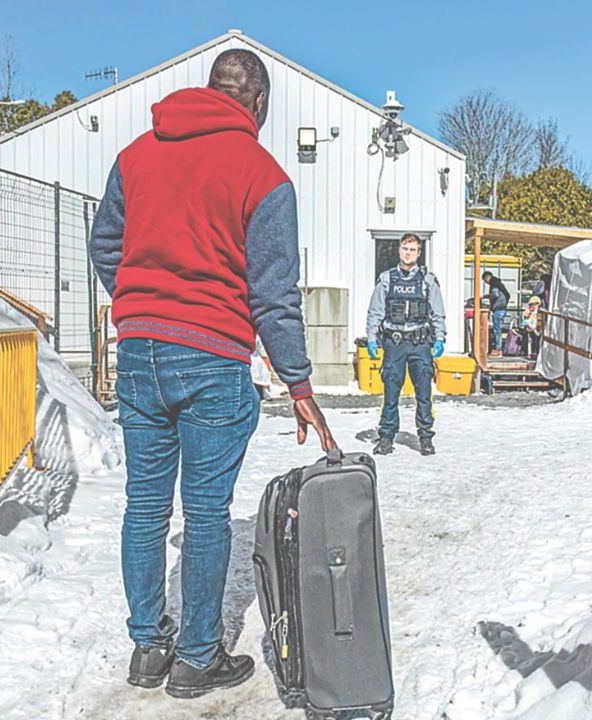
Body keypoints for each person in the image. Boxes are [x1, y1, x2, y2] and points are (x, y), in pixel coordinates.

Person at [88, 48, 337, 700]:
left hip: (138, 350)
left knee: (144, 507)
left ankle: (147, 649)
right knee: (203, 514)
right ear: (257, 104)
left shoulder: (136, 155)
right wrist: (300, 386)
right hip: (212, 356)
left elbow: (104, 243)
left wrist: (140, 304)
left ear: (209, 90)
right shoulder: (264, 174)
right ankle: (197, 658)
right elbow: (274, 295)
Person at [365, 233, 446, 456]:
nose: (407, 253)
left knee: (423, 393)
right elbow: (375, 311)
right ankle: (386, 437)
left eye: (412, 249)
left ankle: (426, 437)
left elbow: (437, 312)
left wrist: (440, 338)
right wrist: (372, 338)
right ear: (399, 250)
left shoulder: (428, 280)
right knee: (391, 392)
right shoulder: (387, 279)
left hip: (420, 344)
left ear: (419, 253)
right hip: (394, 344)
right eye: (404, 248)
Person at [482, 271, 511, 355]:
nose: (486, 283)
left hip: (498, 309)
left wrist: (486, 296)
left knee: (497, 330)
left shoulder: (494, 284)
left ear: (487, 277)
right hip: (503, 309)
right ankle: (498, 349)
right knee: (498, 329)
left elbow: (495, 294)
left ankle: (498, 350)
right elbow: (507, 295)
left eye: (485, 280)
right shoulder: (500, 284)